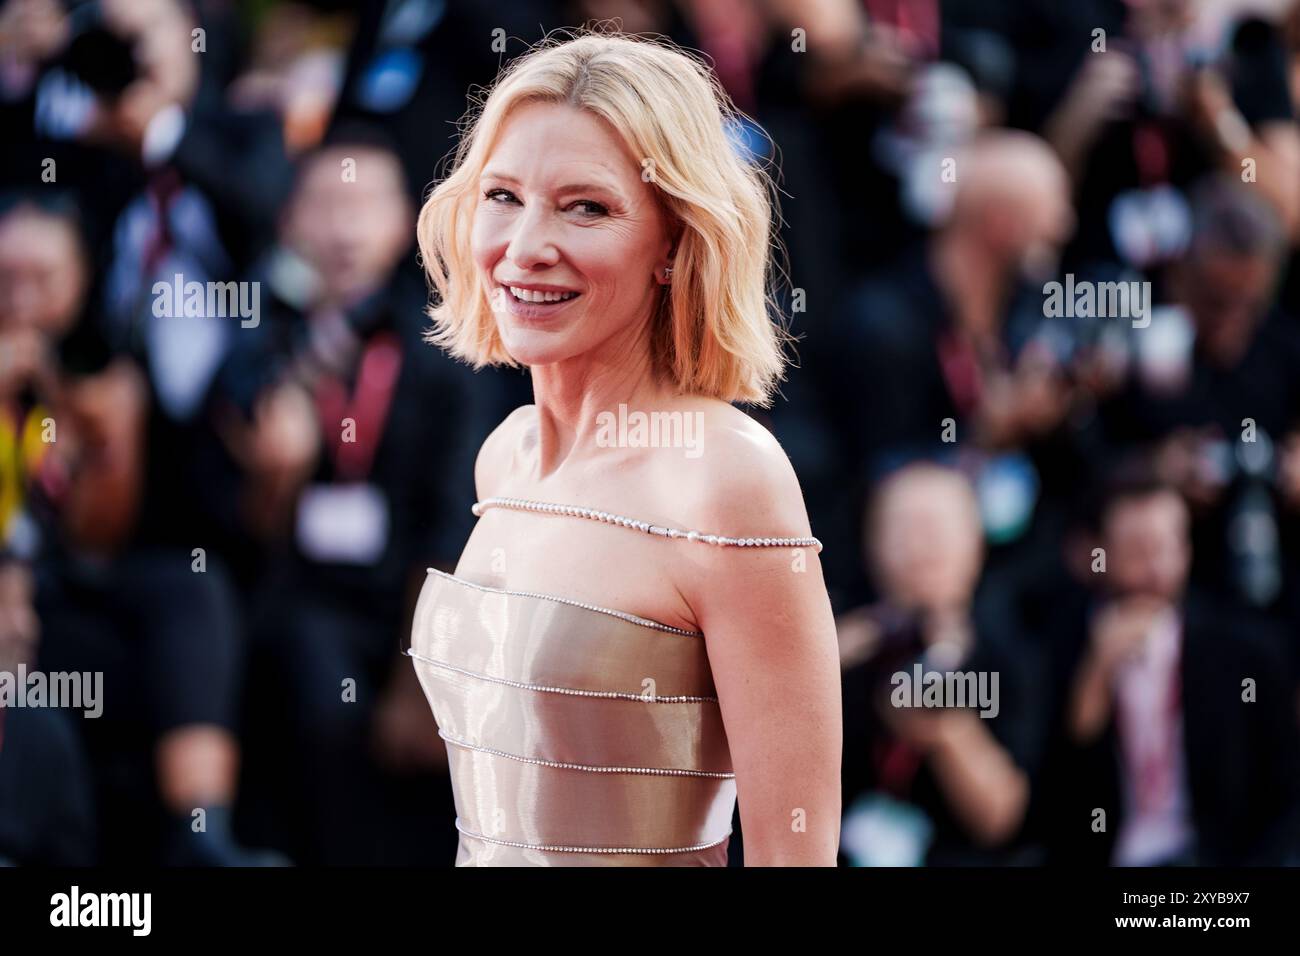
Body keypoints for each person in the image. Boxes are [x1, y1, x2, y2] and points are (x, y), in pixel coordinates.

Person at [407, 30, 842, 866]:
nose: (526, 246)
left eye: (587, 207)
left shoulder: (727, 479)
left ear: (676, 246)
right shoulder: (505, 455)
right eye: (503, 195)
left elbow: (798, 852)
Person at [1054, 472, 1300, 865]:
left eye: (1167, 547)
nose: (1155, 570)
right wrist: (1095, 679)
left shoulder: (1243, 654)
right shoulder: (1059, 647)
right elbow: (1049, 806)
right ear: (1097, 555)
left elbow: (1282, 798)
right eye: (1137, 551)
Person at [838, 463, 1047, 865]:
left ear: (975, 545)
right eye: (902, 530)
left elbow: (1001, 817)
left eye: (935, 530)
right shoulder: (842, 649)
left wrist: (946, 731)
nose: (920, 548)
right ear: (872, 545)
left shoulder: (1009, 651)